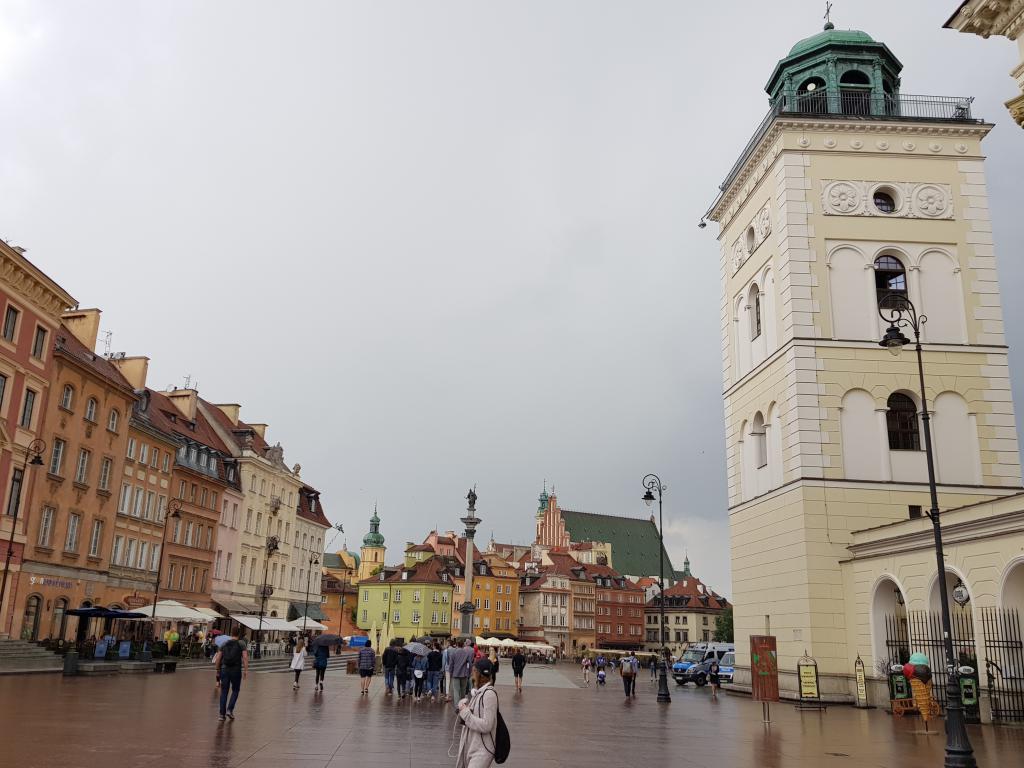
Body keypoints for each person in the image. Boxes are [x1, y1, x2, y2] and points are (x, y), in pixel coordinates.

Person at [455, 659, 499, 768]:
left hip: (482, 750)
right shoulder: (478, 692)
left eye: (474, 671)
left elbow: (487, 725)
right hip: (473, 746)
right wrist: (464, 709)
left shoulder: (489, 694)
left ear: (480, 674)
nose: (472, 675)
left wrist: (466, 713)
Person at [215, 628, 249, 721]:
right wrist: (246, 670)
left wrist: (217, 669)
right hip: (236, 669)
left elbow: (218, 658)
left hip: (224, 669)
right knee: (235, 690)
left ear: (231, 633)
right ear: (239, 634)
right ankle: (229, 710)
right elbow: (245, 657)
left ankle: (221, 715)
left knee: (224, 691)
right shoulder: (241, 643)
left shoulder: (224, 643)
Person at [450, 638, 474, 707]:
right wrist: (469, 673)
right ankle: (462, 704)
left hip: (455, 674)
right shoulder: (466, 653)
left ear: (457, 644)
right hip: (464, 674)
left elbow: (451, 664)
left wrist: (451, 673)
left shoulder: (453, 653)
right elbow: (469, 664)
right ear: (463, 645)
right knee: (463, 690)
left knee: (456, 691)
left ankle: (457, 705)